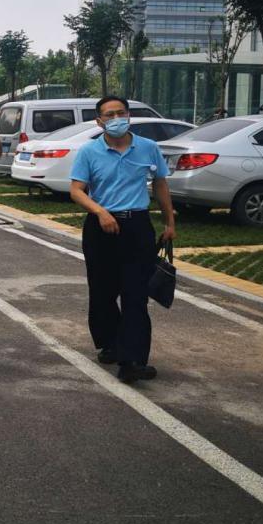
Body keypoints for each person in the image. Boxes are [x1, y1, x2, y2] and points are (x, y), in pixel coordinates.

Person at [69, 95, 176, 384]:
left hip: (137, 227)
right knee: (102, 292)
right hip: (100, 228)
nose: (116, 118)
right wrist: (100, 212)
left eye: (121, 113)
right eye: (109, 114)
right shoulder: (89, 151)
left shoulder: (148, 148)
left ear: (128, 115)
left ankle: (133, 360)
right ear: (99, 121)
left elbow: (161, 184)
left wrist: (169, 221)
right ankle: (110, 344)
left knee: (135, 294)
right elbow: (76, 190)